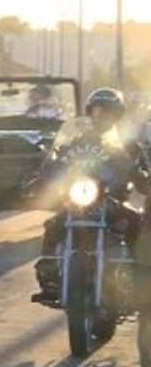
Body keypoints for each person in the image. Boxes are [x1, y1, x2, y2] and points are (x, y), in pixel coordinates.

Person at [33, 88, 150, 305]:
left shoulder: (128, 146)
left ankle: (139, 282)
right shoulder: (76, 141)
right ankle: (49, 277)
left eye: (108, 112)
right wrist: (43, 175)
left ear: (117, 116)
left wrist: (143, 179)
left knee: (135, 222)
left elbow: (139, 171)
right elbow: (56, 161)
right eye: (98, 111)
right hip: (78, 201)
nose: (102, 116)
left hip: (111, 202)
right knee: (53, 225)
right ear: (90, 113)